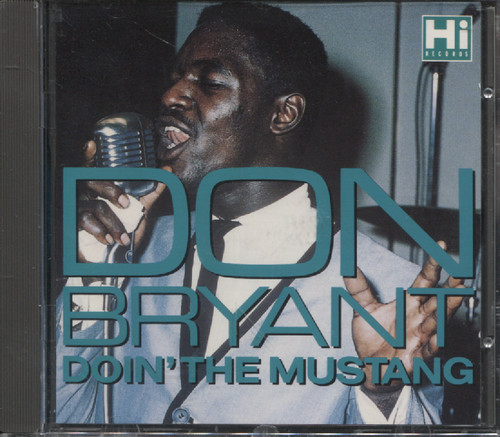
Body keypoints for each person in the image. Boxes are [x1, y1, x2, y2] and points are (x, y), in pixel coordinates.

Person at [56, 2, 466, 425]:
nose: (171, 96)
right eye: (175, 77)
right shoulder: (128, 251)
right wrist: (93, 275)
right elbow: (64, 417)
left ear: (284, 114)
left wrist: (384, 392)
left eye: (210, 82)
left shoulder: (394, 292)